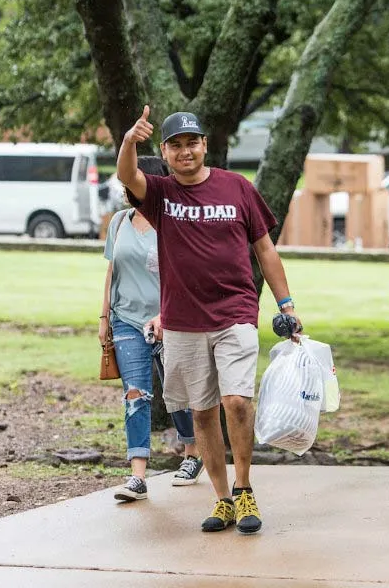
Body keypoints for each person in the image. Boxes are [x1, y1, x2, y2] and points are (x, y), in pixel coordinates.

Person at [117, 107, 301, 534]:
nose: (186, 151)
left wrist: (286, 304)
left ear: (205, 145)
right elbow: (128, 175)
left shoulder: (237, 187)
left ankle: (244, 488)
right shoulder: (160, 194)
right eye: (176, 145)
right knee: (201, 415)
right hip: (182, 320)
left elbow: (266, 249)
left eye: (192, 142)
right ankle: (221, 500)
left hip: (235, 311)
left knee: (235, 401)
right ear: (164, 152)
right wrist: (129, 141)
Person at [101, 155, 204, 502]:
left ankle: (192, 452)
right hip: (127, 321)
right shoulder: (118, 223)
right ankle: (138, 475)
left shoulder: (172, 224)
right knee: (136, 395)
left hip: (170, 321)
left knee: (178, 394)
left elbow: (186, 277)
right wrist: (104, 320)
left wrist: (165, 315)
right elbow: (111, 272)